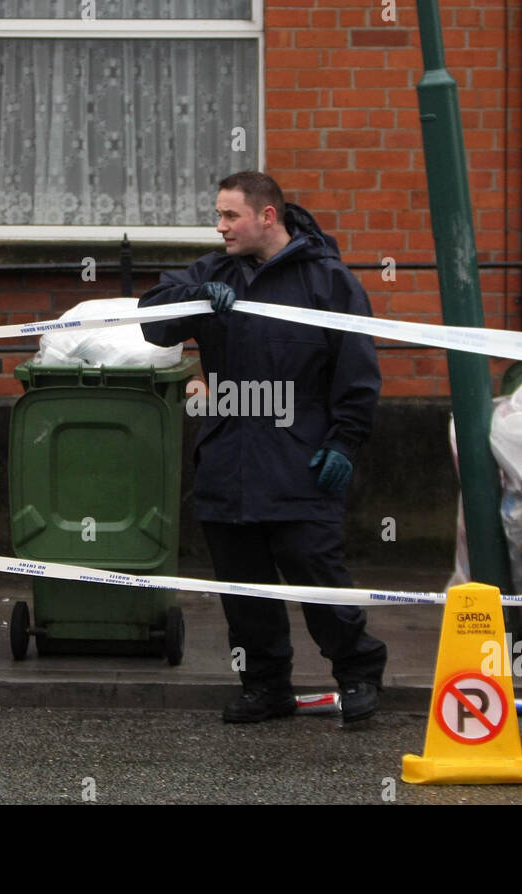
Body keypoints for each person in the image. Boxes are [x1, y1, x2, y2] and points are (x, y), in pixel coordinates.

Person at [138, 171, 387, 724]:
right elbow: (152, 318)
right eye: (219, 215)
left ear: (267, 216)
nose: (220, 226)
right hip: (229, 458)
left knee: (318, 577)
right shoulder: (213, 272)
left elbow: (358, 373)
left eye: (231, 215)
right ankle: (265, 687)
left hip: (301, 458)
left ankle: (359, 675)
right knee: (243, 591)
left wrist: (345, 442)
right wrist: (198, 297)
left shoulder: (328, 283)